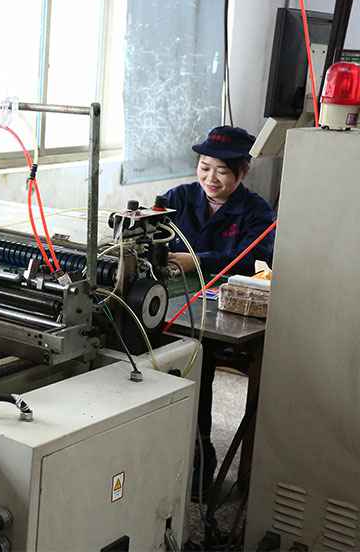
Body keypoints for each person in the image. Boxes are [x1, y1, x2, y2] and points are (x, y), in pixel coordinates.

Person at [161, 125, 275, 497]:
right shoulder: (177, 198)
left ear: (242, 172)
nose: (211, 178)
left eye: (222, 171)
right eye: (204, 168)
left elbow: (255, 261)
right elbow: (149, 235)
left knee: (198, 360)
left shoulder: (256, 212)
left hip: (221, 312)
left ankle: (198, 457)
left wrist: (195, 260)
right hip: (170, 301)